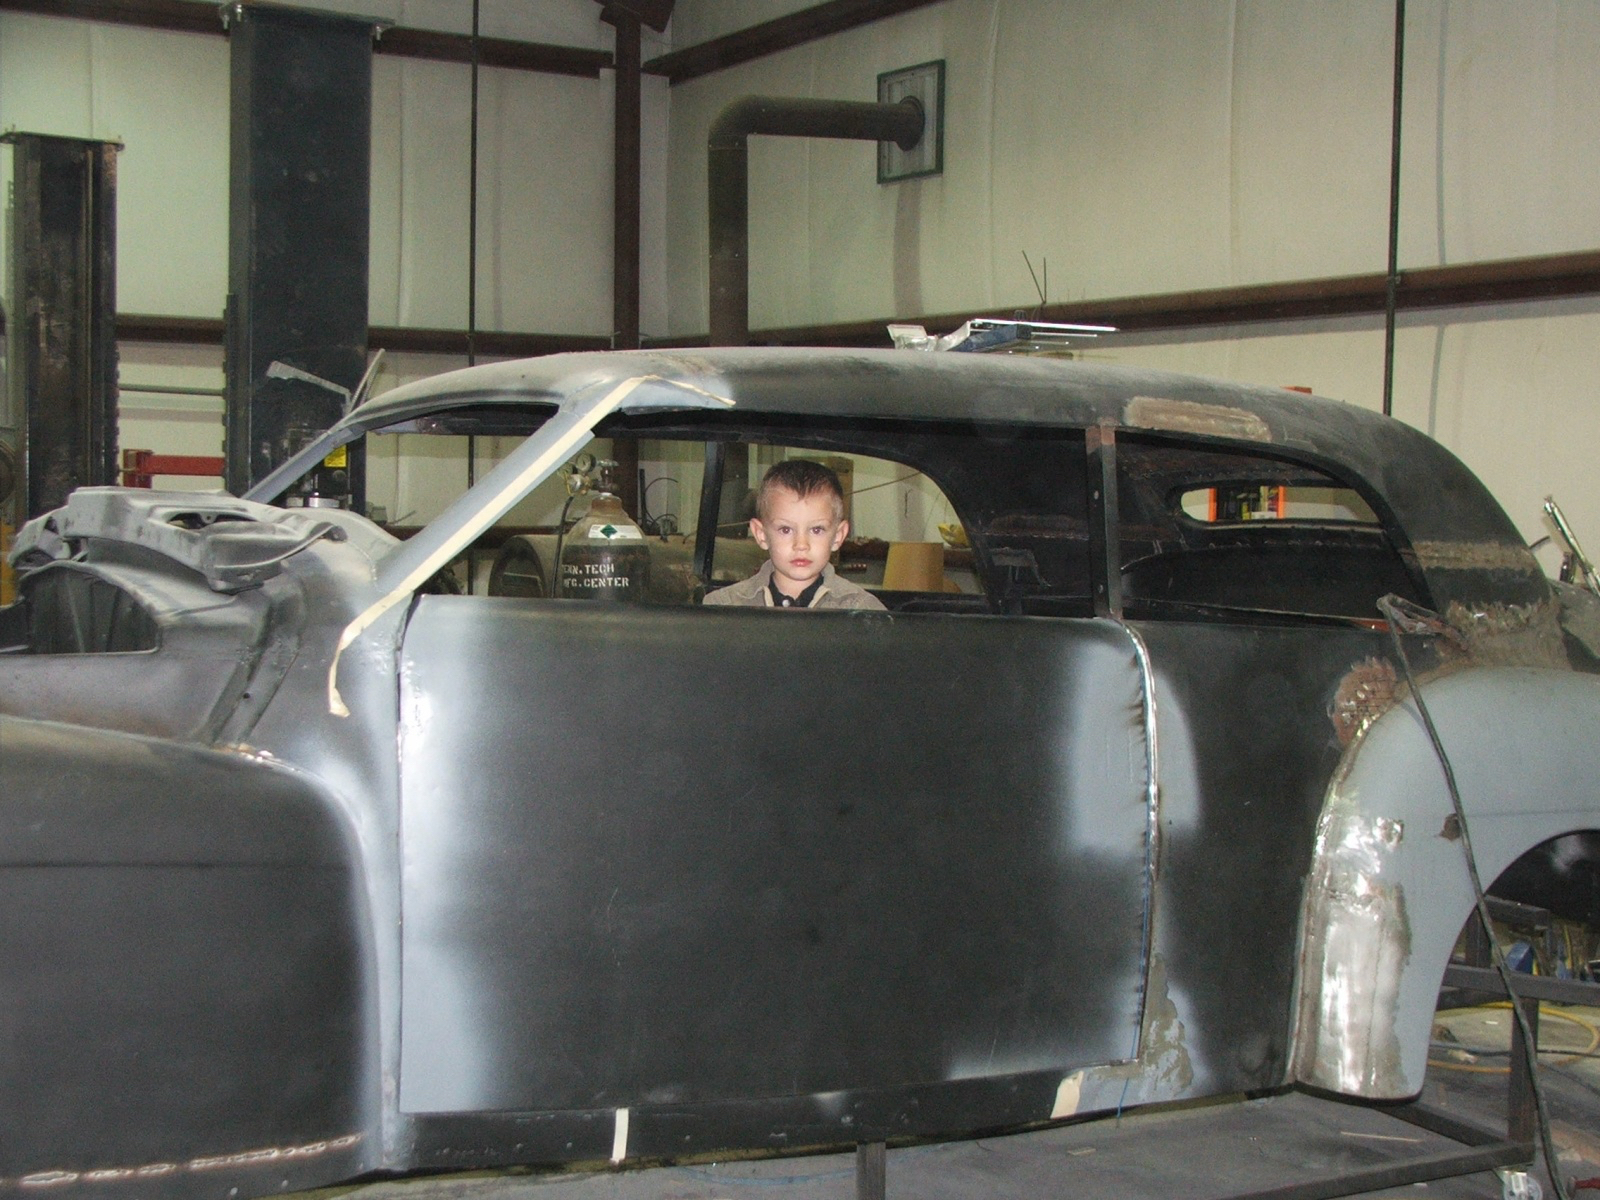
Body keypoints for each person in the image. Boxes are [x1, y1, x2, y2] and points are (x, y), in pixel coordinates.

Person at [704, 459, 886, 610]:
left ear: (838, 536)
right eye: (786, 530)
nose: (801, 545)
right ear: (761, 534)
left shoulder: (864, 611)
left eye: (816, 530)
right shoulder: (723, 607)